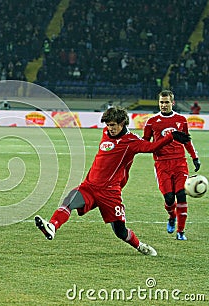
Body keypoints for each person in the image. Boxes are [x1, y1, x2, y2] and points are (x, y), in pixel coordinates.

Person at [35, 106, 191, 256]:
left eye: (113, 125)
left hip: (110, 193)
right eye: (108, 125)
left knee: (120, 232)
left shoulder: (131, 141)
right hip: (89, 186)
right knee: (69, 201)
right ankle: (52, 226)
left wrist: (171, 136)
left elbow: (151, 147)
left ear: (122, 123)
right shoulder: (105, 132)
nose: (110, 128)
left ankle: (140, 246)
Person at [143, 90, 200, 240]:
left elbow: (187, 140)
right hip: (161, 164)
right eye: (161, 102)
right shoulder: (151, 122)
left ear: (172, 103)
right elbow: (145, 143)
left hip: (180, 162)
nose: (164, 105)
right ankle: (171, 216)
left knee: (181, 195)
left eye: (167, 102)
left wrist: (195, 157)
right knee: (169, 198)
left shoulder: (181, 120)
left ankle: (181, 231)